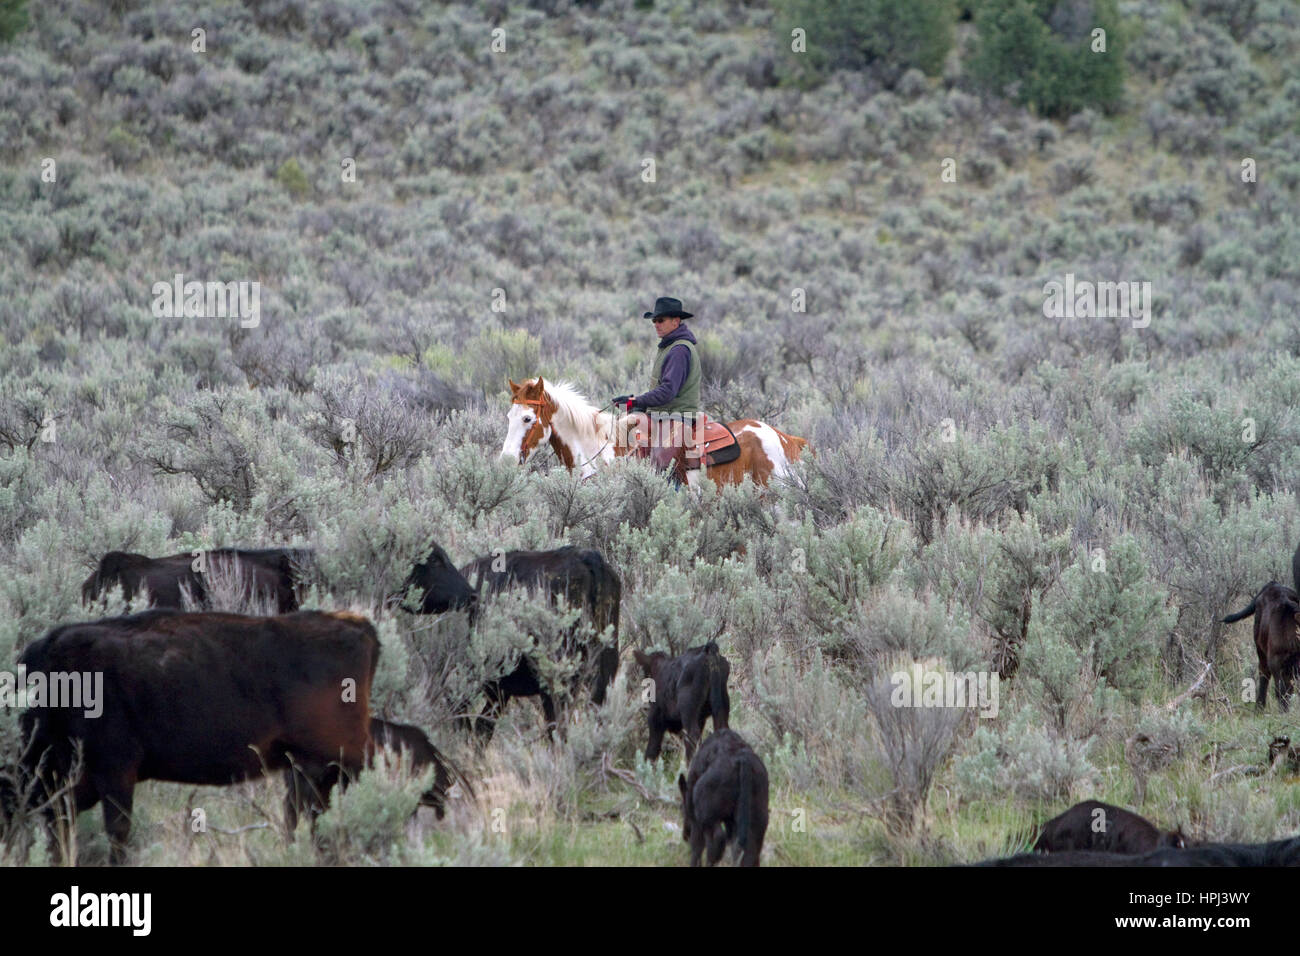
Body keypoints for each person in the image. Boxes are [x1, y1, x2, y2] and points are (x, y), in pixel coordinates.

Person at [613, 296, 701, 487]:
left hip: (678, 416)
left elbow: (667, 392)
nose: (656, 324)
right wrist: (633, 401)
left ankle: (674, 501)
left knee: (663, 464)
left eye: (660, 320)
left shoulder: (679, 350)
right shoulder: (669, 346)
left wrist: (636, 401)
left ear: (676, 321)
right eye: (654, 321)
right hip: (664, 415)